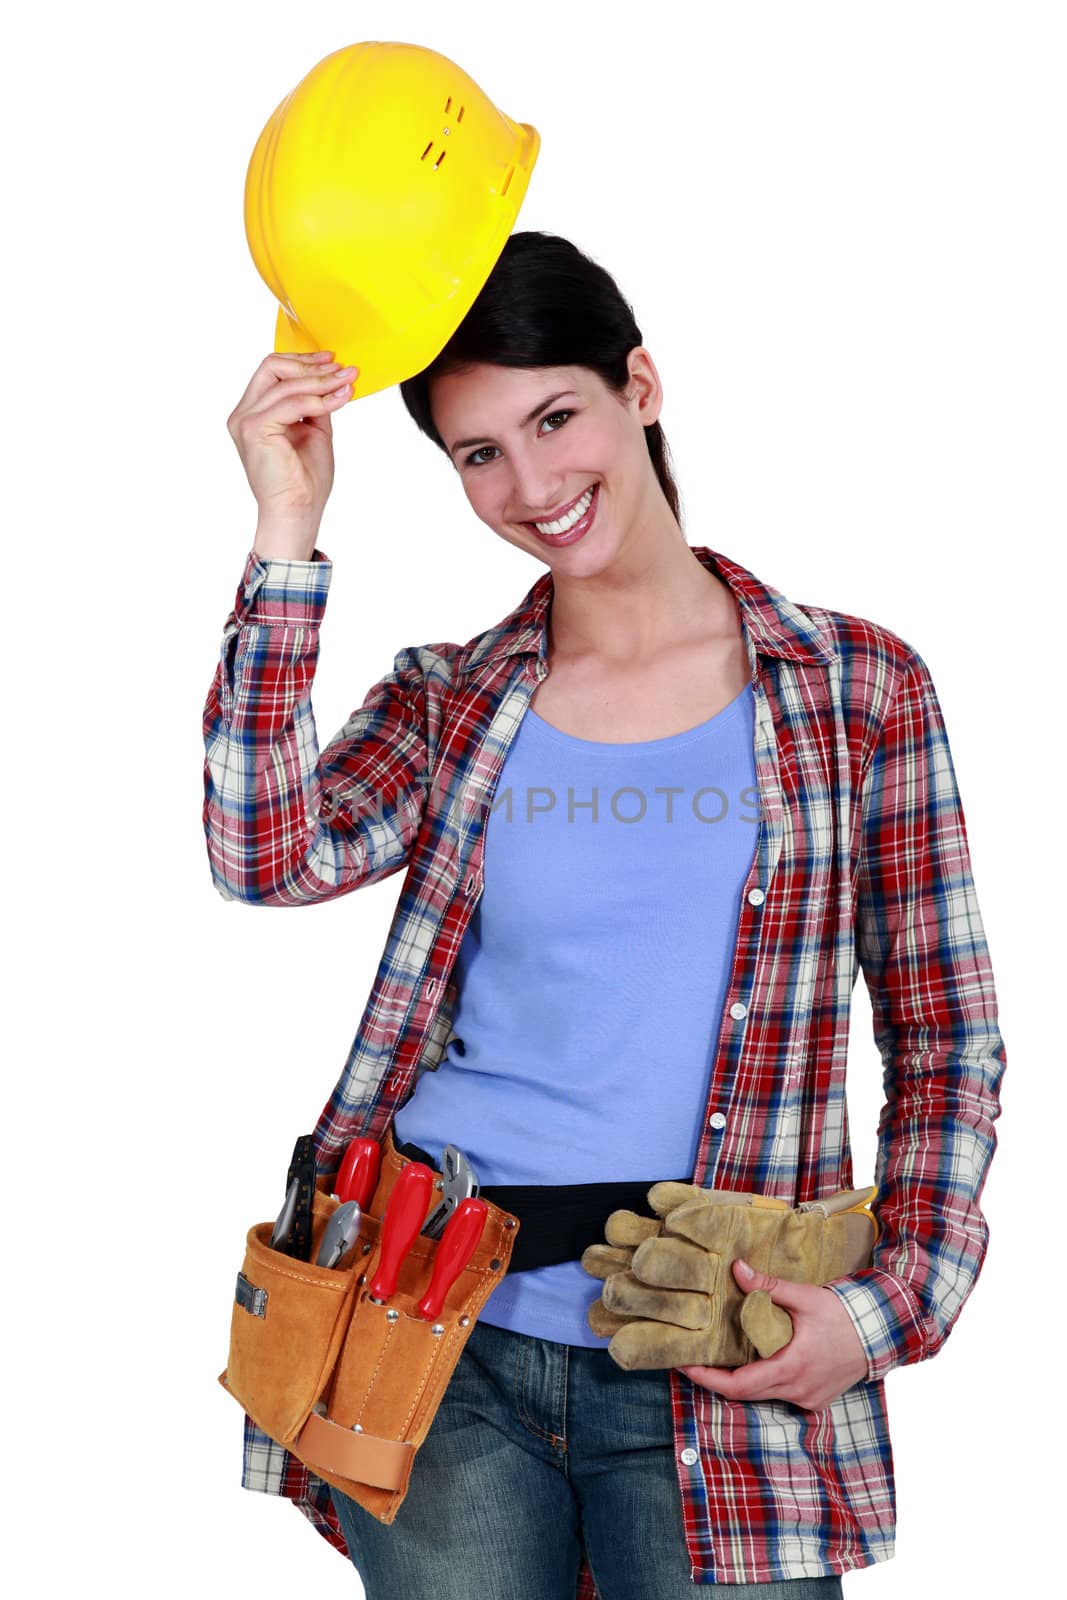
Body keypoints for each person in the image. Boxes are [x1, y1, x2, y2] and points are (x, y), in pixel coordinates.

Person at [203, 231, 1006, 1597]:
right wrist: (287, 531)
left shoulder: (856, 691)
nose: (532, 485)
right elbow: (263, 851)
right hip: (436, 1338)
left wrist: (885, 1312)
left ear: (640, 384)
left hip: (722, 1349)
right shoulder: (457, 700)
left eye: (554, 417)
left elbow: (944, 1040)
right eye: (480, 455)